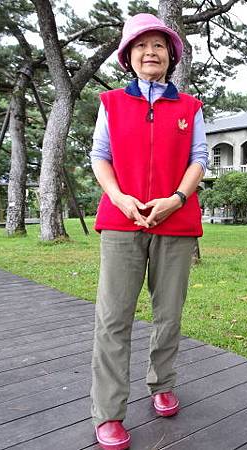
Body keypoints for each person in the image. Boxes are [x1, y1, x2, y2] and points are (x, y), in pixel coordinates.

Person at [88, 13, 207, 450]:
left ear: (171, 55)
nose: (150, 52)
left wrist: (176, 198)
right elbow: (100, 156)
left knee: (168, 314)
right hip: (121, 221)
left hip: (175, 221)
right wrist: (119, 198)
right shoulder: (111, 104)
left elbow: (199, 159)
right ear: (128, 56)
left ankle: (162, 383)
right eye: (141, 46)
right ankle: (109, 413)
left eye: (158, 45)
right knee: (113, 319)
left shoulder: (190, 107)